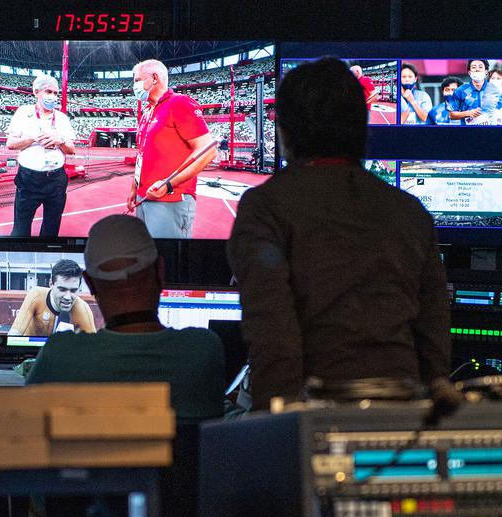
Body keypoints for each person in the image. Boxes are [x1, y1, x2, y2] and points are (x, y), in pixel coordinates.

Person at [227, 57, 450, 410]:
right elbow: (433, 329)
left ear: (285, 129)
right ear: (362, 126)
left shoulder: (265, 207)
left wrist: (277, 423)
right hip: (403, 414)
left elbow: (272, 331)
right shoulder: (410, 211)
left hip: (313, 412)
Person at [26, 215, 226, 422]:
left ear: (89, 283)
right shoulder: (204, 349)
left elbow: (24, 422)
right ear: (161, 270)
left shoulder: (59, 355)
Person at [127, 59, 217, 239]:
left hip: (170, 199)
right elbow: (141, 155)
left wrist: (168, 183)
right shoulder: (147, 112)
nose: (134, 86)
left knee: (168, 254)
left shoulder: (179, 103)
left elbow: (208, 150)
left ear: (154, 78)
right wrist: (134, 189)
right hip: (144, 197)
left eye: (137, 80)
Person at [6, 74, 76, 237]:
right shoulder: (23, 113)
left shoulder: (62, 118)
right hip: (29, 180)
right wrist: (33, 138)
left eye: (56, 93)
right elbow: (10, 144)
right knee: (20, 230)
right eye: (48, 91)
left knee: (51, 229)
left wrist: (59, 141)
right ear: (36, 92)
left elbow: (71, 149)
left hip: (56, 180)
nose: (53, 96)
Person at [9, 259, 97, 337]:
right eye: (62, 289)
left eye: (73, 290)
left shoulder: (83, 308)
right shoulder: (36, 295)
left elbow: (94, 346)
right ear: (51, 284)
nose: (67, 297)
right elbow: (14, 334)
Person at [447, 59, 502, 125]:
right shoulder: (460, 90)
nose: (477, 70)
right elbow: (451, 115)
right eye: (474, 67)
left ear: (486, 71)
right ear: (469, 72)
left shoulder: (496, 89)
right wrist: (467, 113)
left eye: (480, 67)